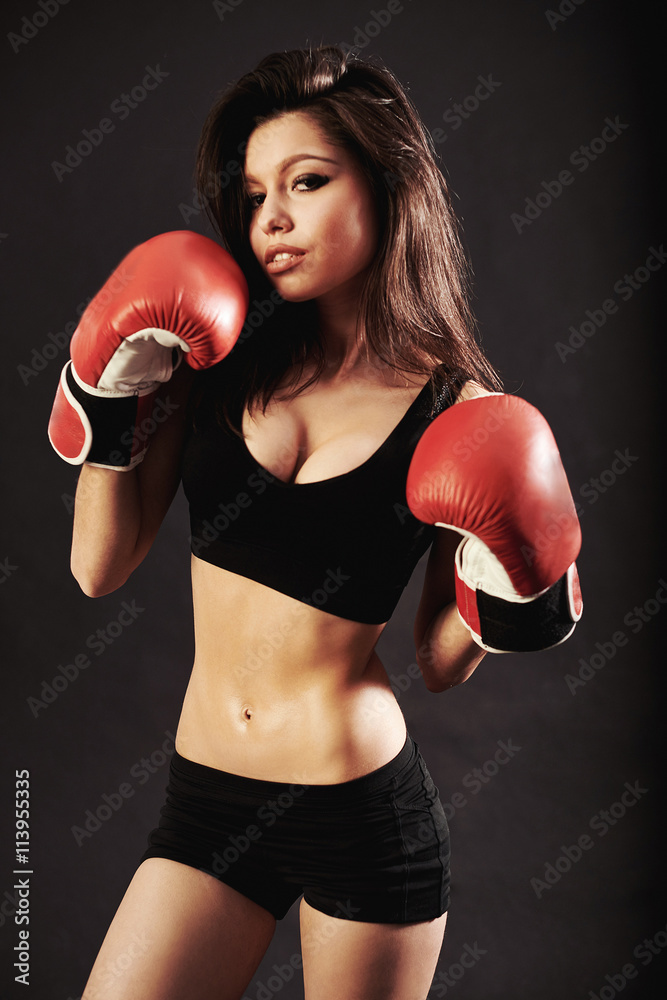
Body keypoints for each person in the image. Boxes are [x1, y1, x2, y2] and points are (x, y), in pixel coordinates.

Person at [49, 45, 582, 1000]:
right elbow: (99, 564)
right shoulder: (213, 351)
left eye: (306, 182)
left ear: (385, 188)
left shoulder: (456, 410)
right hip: (208, 799)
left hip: (362, 816)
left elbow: (437, 660)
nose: (272, 221)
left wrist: (513, 585)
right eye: (253, 196)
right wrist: (112, 397)